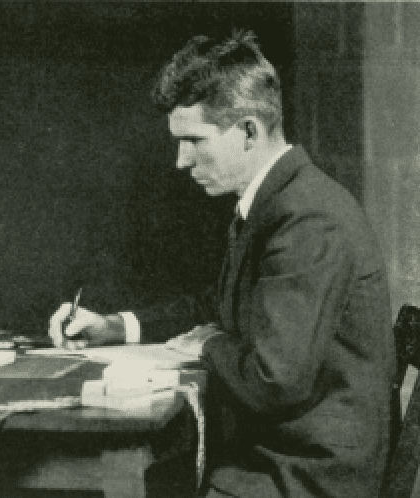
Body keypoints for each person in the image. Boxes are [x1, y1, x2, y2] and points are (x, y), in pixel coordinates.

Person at [49, 31, 395, 498]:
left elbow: (274, 380)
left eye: (194, 140)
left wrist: (210, 346)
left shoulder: (309, 217)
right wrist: (115, 326)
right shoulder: (275, 201)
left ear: (249, 131)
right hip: (273, 455)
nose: (180, 161)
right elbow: (223, 306)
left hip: (306, 475)